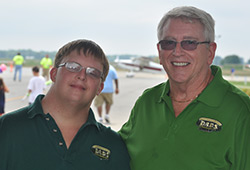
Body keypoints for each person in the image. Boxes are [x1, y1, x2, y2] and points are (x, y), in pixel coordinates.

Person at [119, 6, 250, 170]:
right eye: (169, 43)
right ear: (160, 52)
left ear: (210, 52)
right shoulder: (147, 102)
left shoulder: (241, 112)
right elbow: (111, 152)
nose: (177, 52)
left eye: (189, 43)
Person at [0, 39, 130, 170]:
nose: (82, 75)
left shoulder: (114, 146)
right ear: (53, 74)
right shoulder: (6, 128)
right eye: (73, 67)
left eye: (93, 73)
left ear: (100, 88)